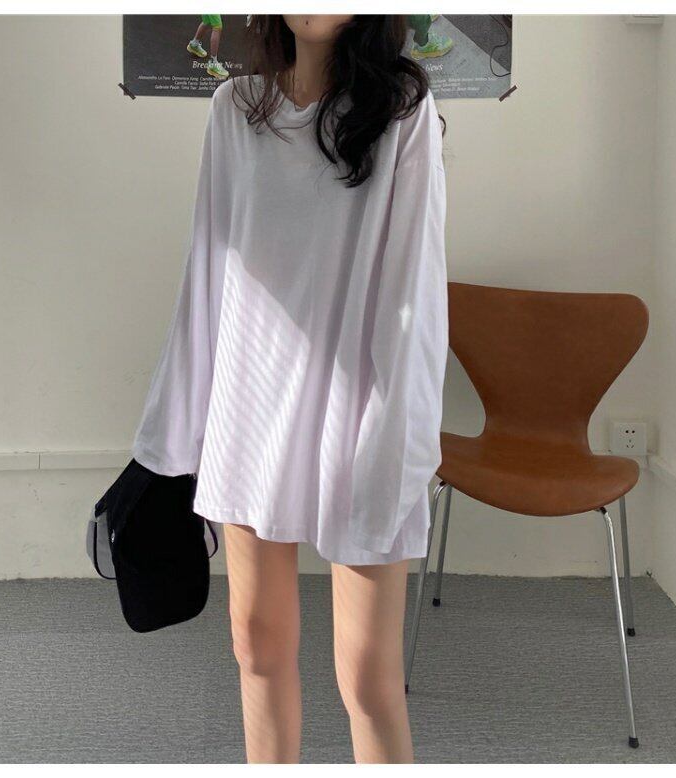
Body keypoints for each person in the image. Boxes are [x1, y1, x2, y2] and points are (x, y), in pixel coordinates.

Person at [133, 15, 448, 764]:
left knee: (367, 679)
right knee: (256, 646)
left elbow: (414, 294)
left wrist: (397, 444)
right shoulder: (236, 109)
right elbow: (208, 268)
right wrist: (172, 436)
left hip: (360, 412)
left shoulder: (402, 111)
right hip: (250, 403)